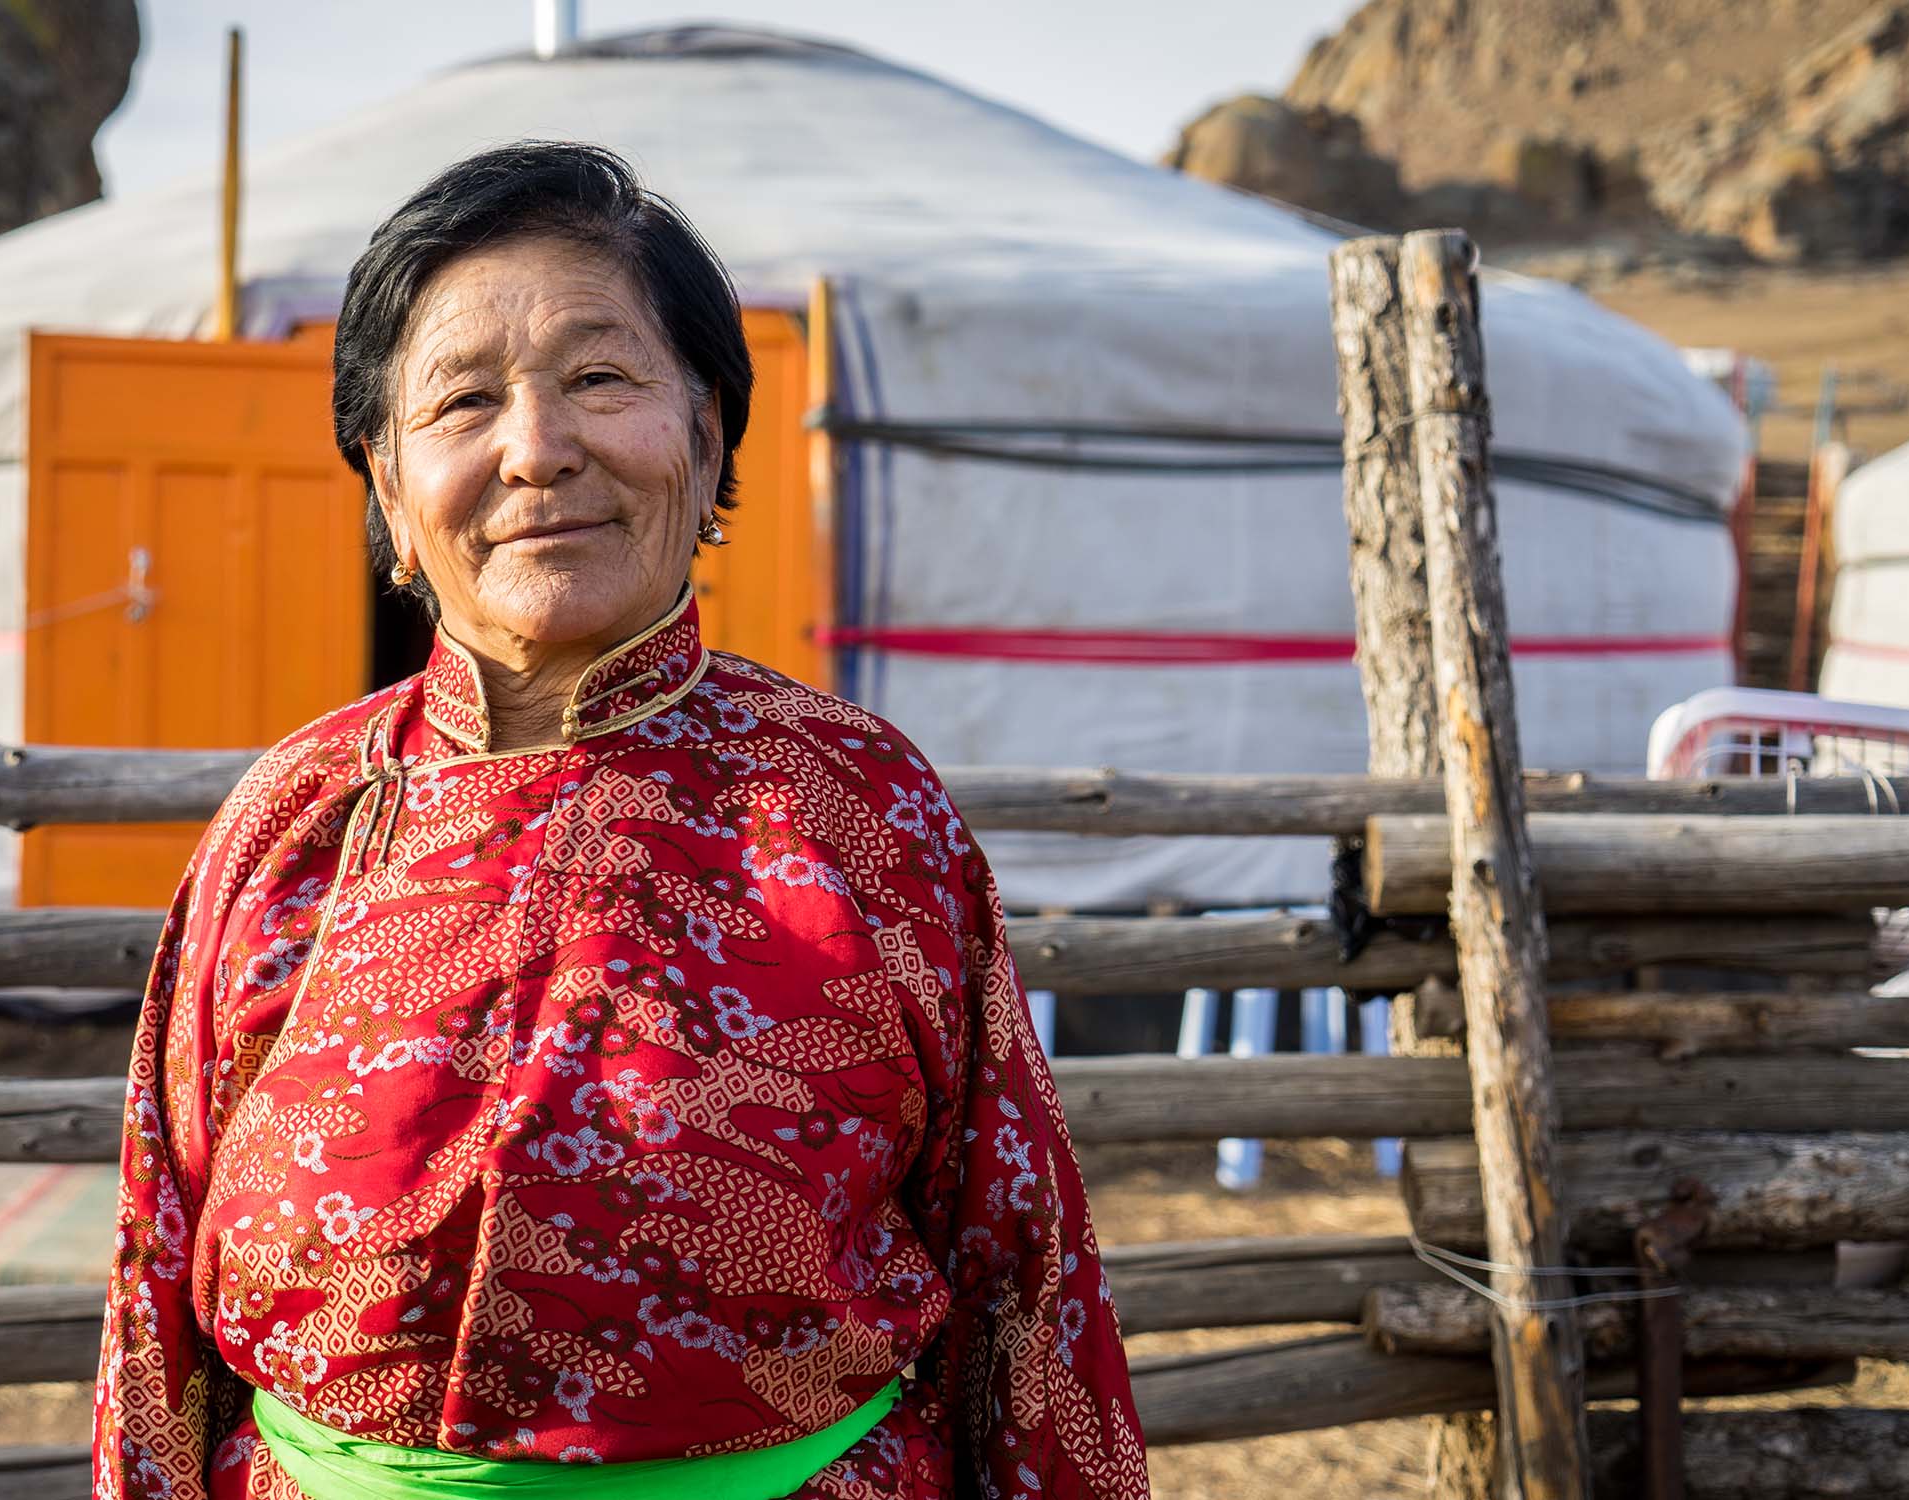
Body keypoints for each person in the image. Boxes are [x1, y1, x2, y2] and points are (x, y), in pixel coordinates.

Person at [93, 141, 1148, 1500]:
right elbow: (153, 1284)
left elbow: (1021, 1273)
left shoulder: (857, 808)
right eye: (463, 402)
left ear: (706, 438)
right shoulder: (293, 819)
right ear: (387, 489)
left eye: (600, 379)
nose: (538, 450)